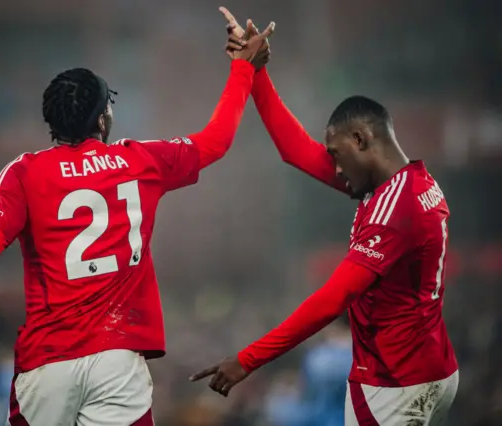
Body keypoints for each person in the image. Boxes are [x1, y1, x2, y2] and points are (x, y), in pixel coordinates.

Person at [0, 19, 275, 426]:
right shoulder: (139, 160)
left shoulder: (23, 172)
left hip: (47, 363)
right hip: (117, 361)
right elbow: (217, 140)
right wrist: (243, 66)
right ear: (102, 118)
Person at [191, 8, 459, 426]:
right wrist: (254, 69)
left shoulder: (395, 208)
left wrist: (247, 359)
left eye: (336, 155)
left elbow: (331, 300)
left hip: (393, 384)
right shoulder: (410, 184)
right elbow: (294, 150)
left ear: (361, 139)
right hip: (430, 369)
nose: (333, 168)